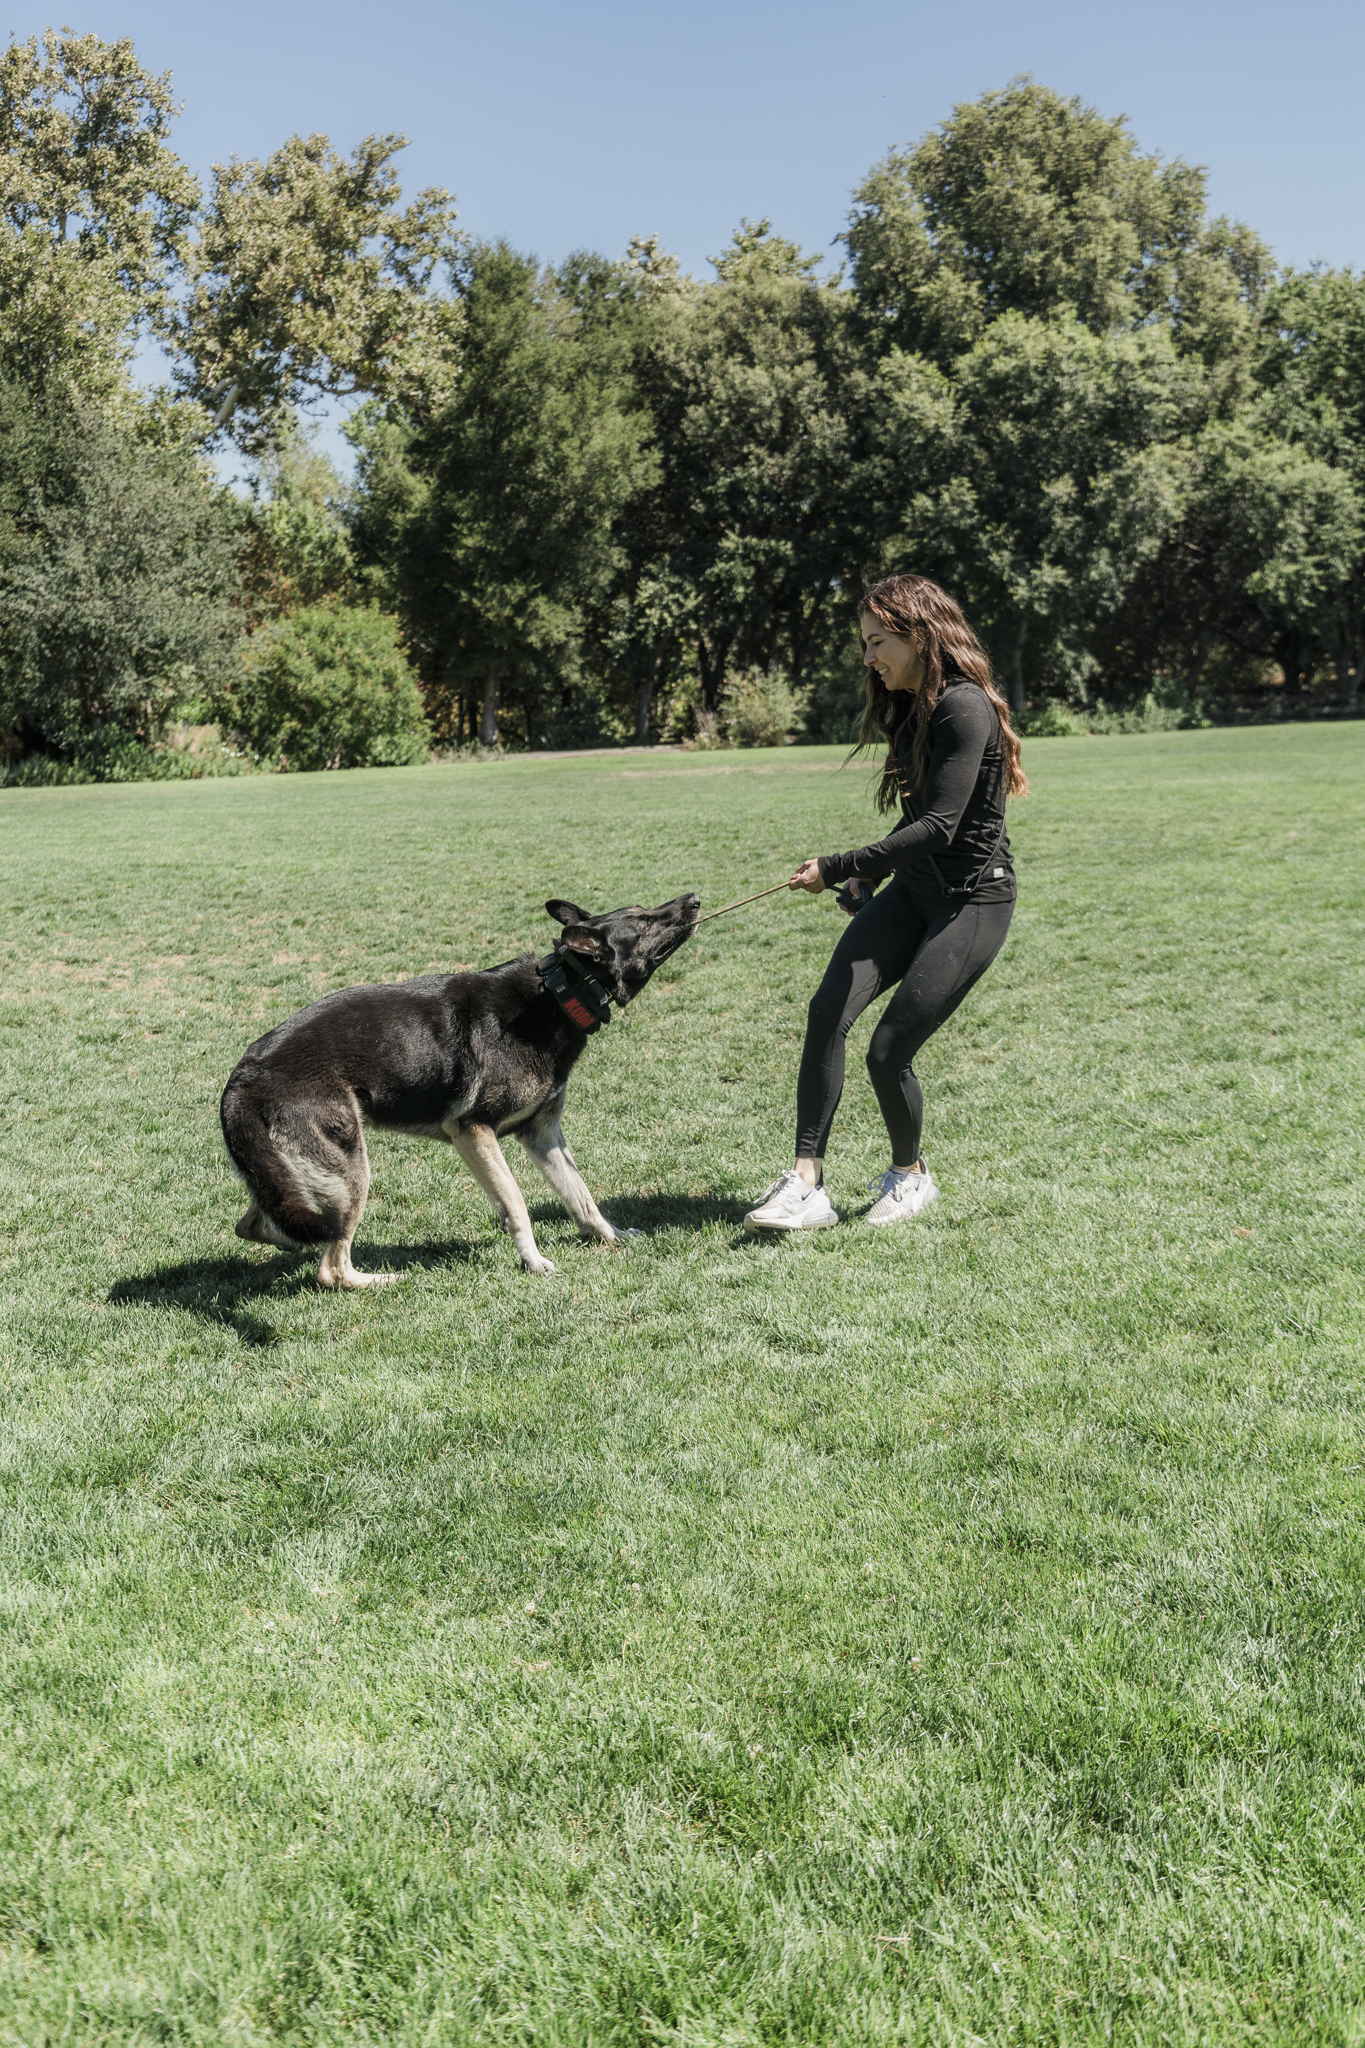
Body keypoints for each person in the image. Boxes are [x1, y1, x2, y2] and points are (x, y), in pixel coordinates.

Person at [744, 573, 1028, 1233]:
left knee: (887, 1052)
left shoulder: (964, 706)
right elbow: (914, 820)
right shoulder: (909, 708)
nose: (868, 657)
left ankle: (910, 1177)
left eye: (877, 641)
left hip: (971, 903)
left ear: (917, 632)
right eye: (864, 643)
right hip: (914, 892)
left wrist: (838, 865)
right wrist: (867, 880)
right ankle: (805, 1184)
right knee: (826, 1013)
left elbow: (941, 827)